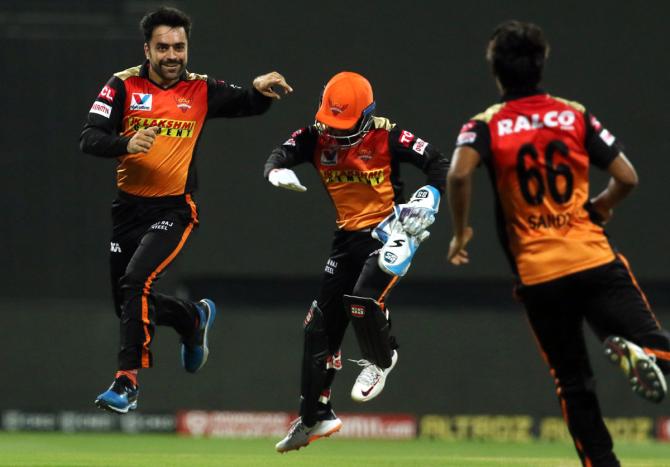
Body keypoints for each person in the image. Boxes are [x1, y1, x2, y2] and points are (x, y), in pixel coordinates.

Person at [447, 20, 670, 467]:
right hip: (593, 258)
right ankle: (642, 351)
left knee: (572, 383)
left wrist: (460, 231)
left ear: (496, 71)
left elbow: (457, 173)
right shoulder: (573, 113)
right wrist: (602, 205)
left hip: (539, 275)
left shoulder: (485, 124)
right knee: (659, 348)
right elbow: (627, 177)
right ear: (541, 65)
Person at [79, 6, 292, 414]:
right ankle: (192, 319)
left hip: (174, 209)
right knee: (129, 303)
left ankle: (127, 382)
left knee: (136, 282)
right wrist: (125, 144)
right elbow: (89, 137)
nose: (173, 55)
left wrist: (261, 88)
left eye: (179, 46)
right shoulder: (122, 86)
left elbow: (247, 102)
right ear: (147, 49)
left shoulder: (200, 89)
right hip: (127, 211)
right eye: (163, 47)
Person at [265, 71, 449, 452]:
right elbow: (281, 153)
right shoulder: (315, 135)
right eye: (332, 123)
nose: (335, 134)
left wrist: (426, 199)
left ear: (368, 115)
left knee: (363, 299)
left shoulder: (389, 135)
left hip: (390, 232)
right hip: (345, 240)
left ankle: (382, 357)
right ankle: (316, 417)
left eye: (345, 125)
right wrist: (276, 171)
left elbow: (439, 164)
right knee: (318, 328)